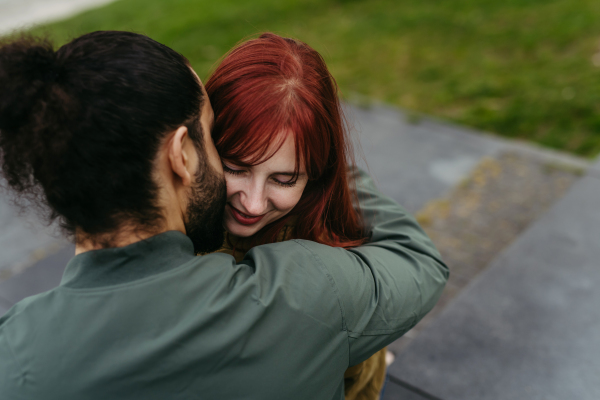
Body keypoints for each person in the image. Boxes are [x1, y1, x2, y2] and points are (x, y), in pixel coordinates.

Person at [0, 31, 448, 400]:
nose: (253, 204)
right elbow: (419, 264)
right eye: (226, 155)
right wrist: (335, 172)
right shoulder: (314, 294)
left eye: (286, 177)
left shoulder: (15, 355)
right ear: (183, 154)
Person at [205, 33, 385, 400]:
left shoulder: (331, 270)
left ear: (317, 174)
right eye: (236, 169)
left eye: (284, 179)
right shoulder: (161, 230)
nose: (253, 205)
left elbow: (360, 381)